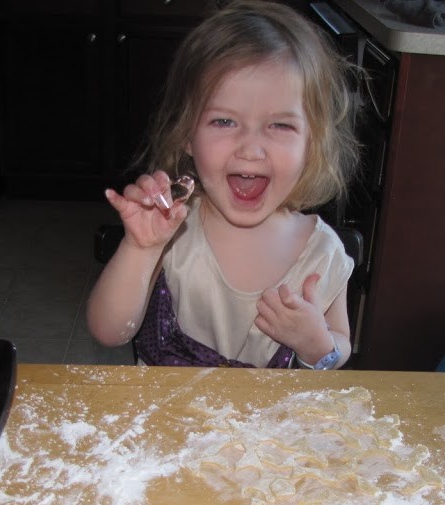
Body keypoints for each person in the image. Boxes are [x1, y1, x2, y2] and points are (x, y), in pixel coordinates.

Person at [86, 0, 359, 369]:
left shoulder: (323, 254)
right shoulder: (172, 230)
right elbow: (109, 331)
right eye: (224, 121)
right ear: (186, 133)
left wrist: (319, 345)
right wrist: (140, 248)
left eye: (280, 125)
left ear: (312, 143)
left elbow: (340, 345)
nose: (250, 149)